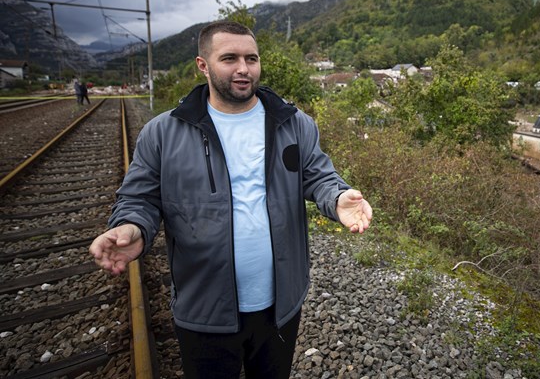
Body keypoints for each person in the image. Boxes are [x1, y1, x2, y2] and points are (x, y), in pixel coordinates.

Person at [89, 20, 372, 379]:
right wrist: (131, 226)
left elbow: (318, 175)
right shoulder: (162, 132)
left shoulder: (293, 123)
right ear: (203, 65)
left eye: (251, 58)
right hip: (204, 307)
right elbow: (139, 197)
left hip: (280, 305)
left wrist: (338, 197)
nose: (243, 68)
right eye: (230, 58)